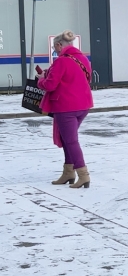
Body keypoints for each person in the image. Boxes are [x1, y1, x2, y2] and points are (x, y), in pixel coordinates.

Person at [38, 30, 94, 188]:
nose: (55, 51)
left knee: (70, 141)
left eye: (55, 48)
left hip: (65, 106)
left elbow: (50, 85)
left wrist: (41, 80)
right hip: (83, 104)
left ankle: (83, 175)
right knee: (67, 139)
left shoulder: (61, 61)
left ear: (58, 45)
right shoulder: (82, 58)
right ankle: (68, 172)